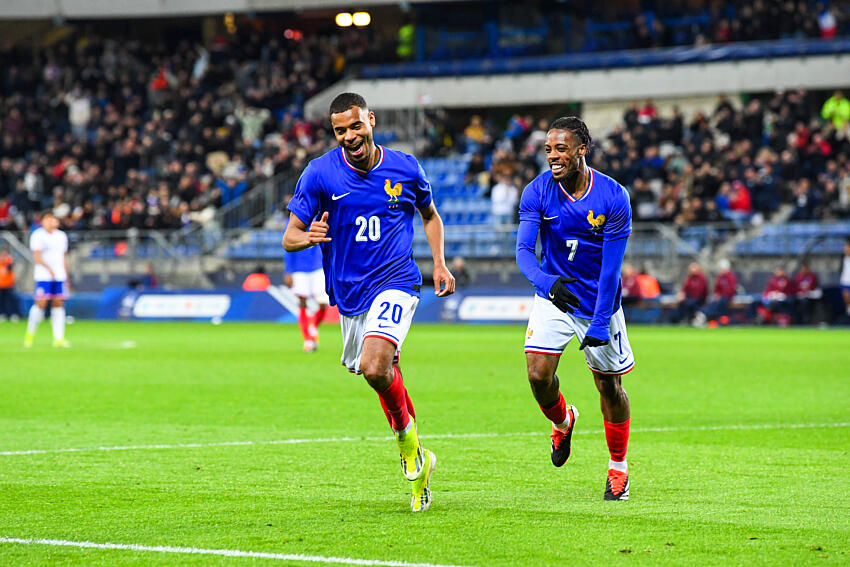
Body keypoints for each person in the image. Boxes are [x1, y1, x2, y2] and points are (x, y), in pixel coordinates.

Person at [283, 92, 455, 512]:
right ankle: (416, 455)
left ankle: (410, 455)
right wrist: (308, 237)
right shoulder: (320, 174)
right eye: (340, 130)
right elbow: (289, 235)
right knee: (377, 373)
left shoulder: (405, 167)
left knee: (376, 364)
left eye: (355, 126)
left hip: (397, 281)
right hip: (350, 294)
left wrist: (439, 264)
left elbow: (429, 216)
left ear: (370, 120)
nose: (349, 136)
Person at [516, 116, 634, 501]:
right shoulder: (537, 191)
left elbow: (611, 271)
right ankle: (563, 421)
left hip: (598, 300)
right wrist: (548, 283)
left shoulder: (613, 198)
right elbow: (523, 253)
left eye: (561, 149)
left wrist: (600, 321)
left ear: (582, 149)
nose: (553, 156)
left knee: (609, 385)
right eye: (548, 149)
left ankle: (618, 467)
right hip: (555, 294)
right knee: (537, 375)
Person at [283, 208, 329, 352]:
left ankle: (313, 327)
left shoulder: (319, 217)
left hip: (317, 266)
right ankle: (308, 339)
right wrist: (289, 271)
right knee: (302, 301)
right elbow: (287, 246)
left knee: (322, 303)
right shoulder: (293, 221)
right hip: (299, 269)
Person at [24, 212, 70, 347]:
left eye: (53, 219)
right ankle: (29, 335)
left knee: (58, 303)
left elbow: (63, 256)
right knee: (41, 303)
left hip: (59, 276)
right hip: (44, 275)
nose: (51, 222)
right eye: (48, 219)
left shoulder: (61, 236)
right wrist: (49, 270)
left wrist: (65, 275)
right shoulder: (38, 235)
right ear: (42, 221)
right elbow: (37, 257)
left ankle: (59, 338)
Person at [698, 259, 737, 325]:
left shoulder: (731, 277)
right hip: (720, 297)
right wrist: (716, 294)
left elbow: (732, 290)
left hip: (727, 297)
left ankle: (704, 314)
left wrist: (721, 295)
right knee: (712, 301)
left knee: (719, 303)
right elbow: (717, 288)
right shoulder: (720, 277)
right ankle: (704, 314)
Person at [0, 246, 22, 321]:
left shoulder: (8, 261)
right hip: (1, 285)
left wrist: (4, 262)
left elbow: (8, 269)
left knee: (11, 300)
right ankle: (2, 314)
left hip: (9, 284)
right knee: (2, 301)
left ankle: (14, 314)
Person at [841, 239, 850, 319]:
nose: (846, 250)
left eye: (847, 248)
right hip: (845, 282)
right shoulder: (843, 258)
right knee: (846, 298)